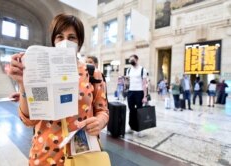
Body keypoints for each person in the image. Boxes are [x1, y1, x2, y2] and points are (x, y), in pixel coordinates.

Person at [9, 14, 109, 165]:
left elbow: (103, 110)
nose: (65, 42)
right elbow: (29, 120)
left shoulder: (92, 72)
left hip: (82, 155)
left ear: (79, 42)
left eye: (72, 37)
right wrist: (23, 84)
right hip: (45, 155)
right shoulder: (40, 70)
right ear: (54, 41)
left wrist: (100, 121)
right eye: (60, 37)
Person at [126, 54, 147, 137]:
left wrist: (145, 96)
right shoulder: (128, 70)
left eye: (132, 60)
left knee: (139, 111)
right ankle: (131, 127)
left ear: (137, 59)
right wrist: (125, 84)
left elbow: (144, 83)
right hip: (130, 92)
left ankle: (139, 129)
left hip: (139, 92)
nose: (131, 61)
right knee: (131, 111)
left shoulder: (142, 70)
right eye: (130, 60)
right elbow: (127, 82)